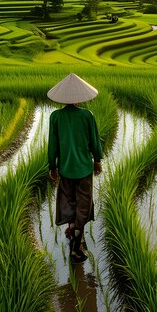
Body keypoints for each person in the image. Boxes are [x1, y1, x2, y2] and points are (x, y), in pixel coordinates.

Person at [47, 73, 103, 264]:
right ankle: (76, 247)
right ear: (79, 96)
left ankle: (72, 231)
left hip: (65, 169)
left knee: (70, 202)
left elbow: (52, 145)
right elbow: (95, 142)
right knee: (84, 207)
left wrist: (52, 167)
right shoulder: (87, 116)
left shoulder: (55, 117)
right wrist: (97, 161)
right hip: (84, 170)